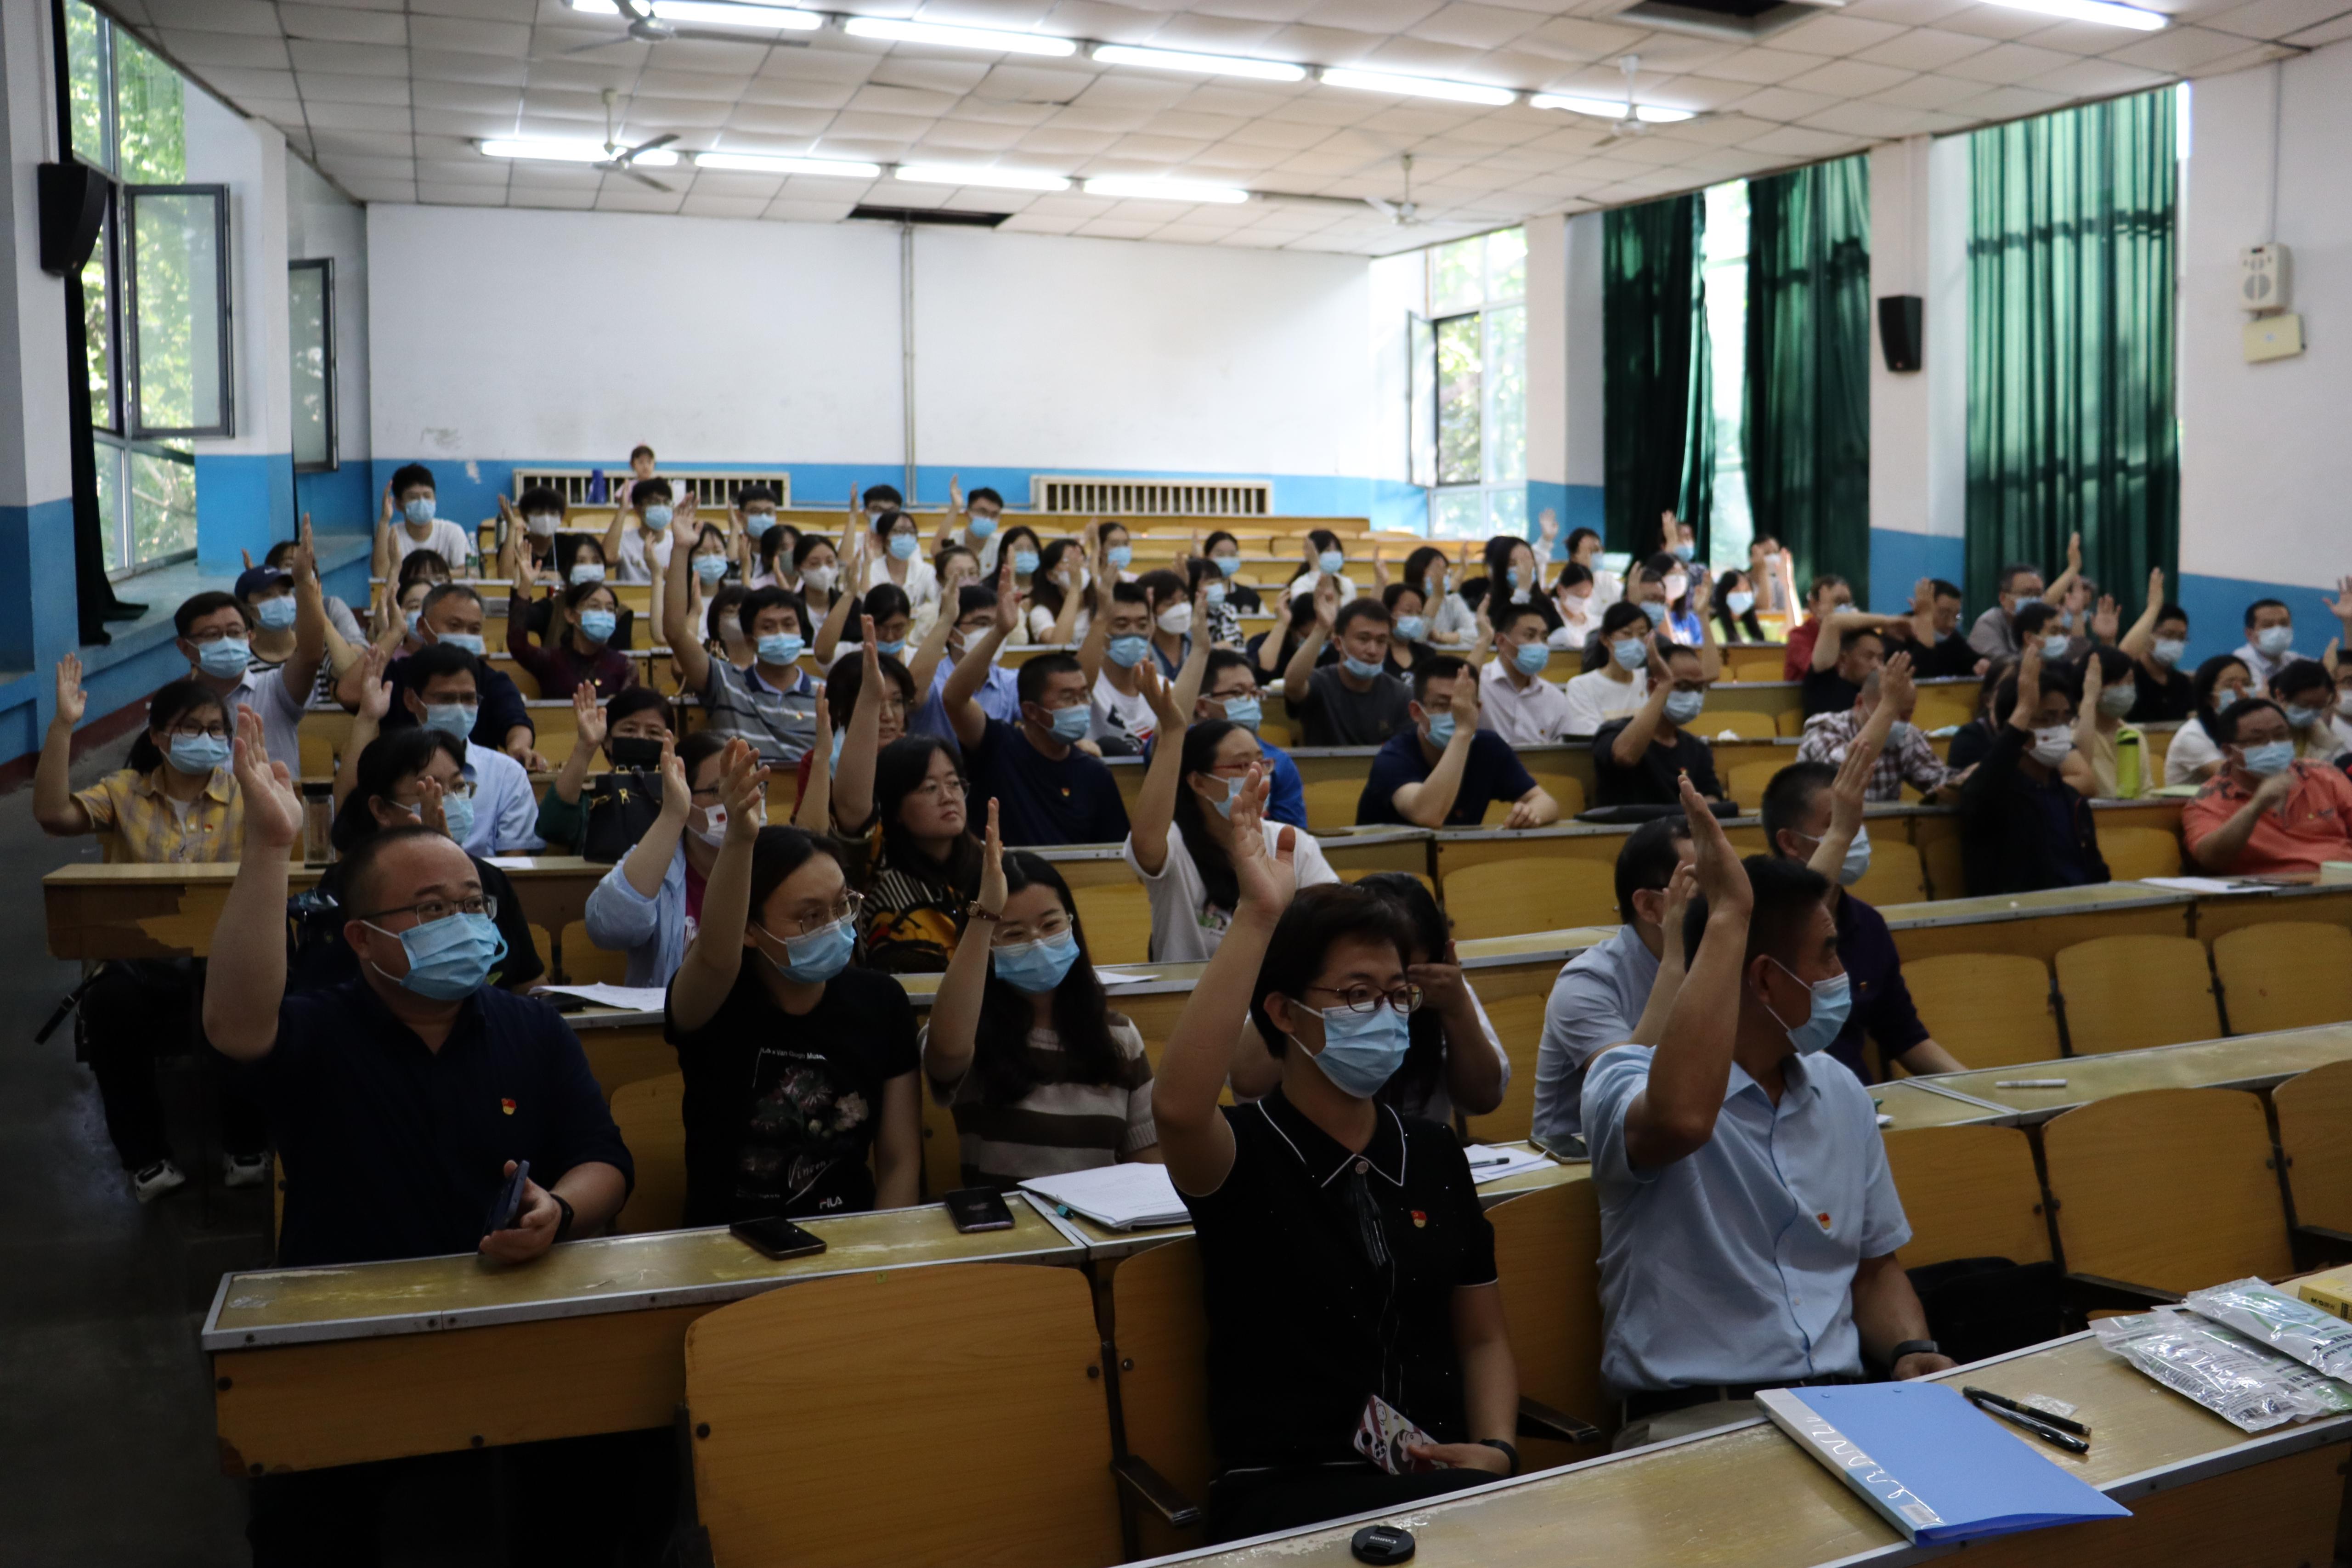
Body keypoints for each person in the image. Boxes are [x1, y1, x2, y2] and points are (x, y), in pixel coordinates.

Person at [202, 712, 636, 1564]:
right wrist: (268, 845)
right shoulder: (321, 1032)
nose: (461, 922)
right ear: (362, 940)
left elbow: (605, 1160)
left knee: (593, 1498)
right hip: (351, 1335)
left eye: (472, 905)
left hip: (514, 1318)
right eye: (431, 909)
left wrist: (559, 1209)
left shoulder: (531, 1029)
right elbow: (236, 1024)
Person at [1153, 793, 1521, 1542]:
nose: (1384, 1013)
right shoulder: (1243, 1152)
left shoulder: (1433, 1151)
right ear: (1285, 1013)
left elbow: (1482, 1336)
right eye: (1356, 994)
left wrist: (1497, 1449)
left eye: (1396, 994)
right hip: (1289, 1495)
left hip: (1443, 1479)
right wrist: (1259, 915)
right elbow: (1178, 1108)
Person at [1586, 783, 1954, 1449]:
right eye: (1827, 954)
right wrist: (1728, 914)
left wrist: (1910, 1347)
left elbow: (1872, 1266)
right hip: (1698, 1421)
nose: (1842, 971)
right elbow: (1681, 1122)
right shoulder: (1623, 1078)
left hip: (1847, 1407)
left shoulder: (1840, 1090)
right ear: (1762, 979)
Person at [34, 663, 267, 1200]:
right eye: (191, 728)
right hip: (139, 960)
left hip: (222, 953)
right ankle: (146, 1158)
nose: (205, 738)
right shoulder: (125, 793)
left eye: (216, 728)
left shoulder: (244, 794)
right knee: (110, 1004)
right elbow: (51, 813)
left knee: (245, 992)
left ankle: (247, 1144)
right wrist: (63, 726)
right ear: (159, 736)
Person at [665, 740, 921, 1222]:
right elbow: (716, 955)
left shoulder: (881, 1002)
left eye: (841, 905)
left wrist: (885, 1254)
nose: (835, 925)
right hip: (730, 1245)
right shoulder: (713, 1002)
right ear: (748, 928)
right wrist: (739, 839)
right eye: (810, 916)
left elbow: (900, 1160)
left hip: (853, 1240)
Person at [923, 807, 1161, 1189]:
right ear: (986, 946)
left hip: (1100, 1219)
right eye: (1015, 934)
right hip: (1008, 1223)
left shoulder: (1120, 1034)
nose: (1038, 942)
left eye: (1051, 924)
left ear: (1071, 924)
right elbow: (946, 1052)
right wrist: (984, 914)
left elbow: (1147, 1163)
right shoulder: (970, 1030)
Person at [1762, 753, 1966, 1082]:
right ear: (1790, 842)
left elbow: (1905, 1036)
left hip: (1859, 1098)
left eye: (1857, 820)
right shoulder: (1757, 925)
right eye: (1838, 823)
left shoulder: (1868, 924)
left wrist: (1976, 1087)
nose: (1854, 833)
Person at [300, 725, 546, 995]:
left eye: (459, 787)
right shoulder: (349, 884)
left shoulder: (489, 878)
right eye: (430, 790)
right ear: (381, 809)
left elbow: (531, 986)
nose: (448, 801)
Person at [1127, 695, 1340, 962]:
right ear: (1199, 783)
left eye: (1262, 763)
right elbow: (1145, 843)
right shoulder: (1174, 844)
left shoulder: (1291, 841)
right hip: (1191, 987)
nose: (1257, 775)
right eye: (1242, 766)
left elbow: (1334, 920)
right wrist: (1172, 732)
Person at [1531, 816, 1693, 1146]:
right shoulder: (1585, 983)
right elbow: (1632, 1092)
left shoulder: (1723, 961)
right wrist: (1675, 958)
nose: (1725, 900)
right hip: (1586, 1163)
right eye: (1701, 887)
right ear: (1649, 906)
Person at [945, 589, 1131, 847]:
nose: (1080, 706)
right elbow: (954, 699)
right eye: (1068, 698)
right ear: (1031, 711)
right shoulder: (998, 745)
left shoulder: (1095, 774)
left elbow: (1114, 855)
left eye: (1084, 696)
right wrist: (999, 631)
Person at [359, 643, 544, 856]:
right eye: (446, 699)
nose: (459, 708)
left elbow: (515, 865)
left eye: (468, 698)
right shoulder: (392, 764)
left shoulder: (506, 773)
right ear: (411, 700)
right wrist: (367, 718)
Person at [1353, 872, 1510, 1125]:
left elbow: (1483, 1100)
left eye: (1408, 978)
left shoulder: (1441, 990)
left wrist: (1457, 1008)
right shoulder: (1327, 1000)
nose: (1396, 995)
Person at [581, 731, 732, 986]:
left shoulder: (777, 862)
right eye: (719, 790)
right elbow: (609, 929)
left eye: (752, 786)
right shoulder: (657, 859)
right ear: (684, 793)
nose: (737, 800)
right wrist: (673, 815)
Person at [1957, 643, 2109, 895]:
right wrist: (2025, 708)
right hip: (2023, 914)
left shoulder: (2071, 799)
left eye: (2065, 718)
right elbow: (1978, 793)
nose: (2060, 728)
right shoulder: (1994, 797)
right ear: (2018, 727)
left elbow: (2096, 873)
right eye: (2047, 718)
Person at [666, 518, 821, 763]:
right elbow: (675, 632)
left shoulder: (824, 693)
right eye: (768, 627)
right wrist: (681, 548)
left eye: (789, 624)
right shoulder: (725, 682)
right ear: (750, 640)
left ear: (802, 632)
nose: (780, 633)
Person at [179, 524, 328, 775]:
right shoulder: (175, 705)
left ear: (249, 637)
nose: (226, 641)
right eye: (213, 635)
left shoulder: (275, 691)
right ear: (185, 647)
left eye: (234, 632)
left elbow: (310, 656)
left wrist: (304, 582)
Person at [1358, 659, 1559, 828]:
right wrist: (1463, 732)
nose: (1456, 715)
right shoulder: (1393, 756)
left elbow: (1545, 802)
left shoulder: (1490, 747)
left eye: (1464, 706)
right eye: (1442, 705)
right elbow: (1428, 816)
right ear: (1416, 712)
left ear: (1477, 710)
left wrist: (1530, 814)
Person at [360, 582, 543, 768]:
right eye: (454, 626)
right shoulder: (397, 674)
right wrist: (394, 634)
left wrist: (518, 746)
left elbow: (516, 720)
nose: (464, 635)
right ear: (422, 626)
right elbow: (348, 692)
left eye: (474, 630)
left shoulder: (493, 680)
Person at [2182, 698, 2352, 876]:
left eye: (2281, 736)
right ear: (2228, 751)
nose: (2273, 746)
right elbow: (2210, 859)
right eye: (2257, 740)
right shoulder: (2208, 801)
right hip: (2273, 890)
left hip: (2342, 882)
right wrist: (2256, 807)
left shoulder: (2325, 775)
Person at [1795, 659, 1961, 804]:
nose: (1896, 721)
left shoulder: (1908, 735)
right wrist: (1888, 707)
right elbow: (1845, 773)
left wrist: (1964, 780)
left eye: (1905, 714)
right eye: (1888, 711)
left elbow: (1938, 779)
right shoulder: (1823, 726)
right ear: (1860, 703)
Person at [535, 684, 676, 848]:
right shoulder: (594, 798)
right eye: (629, 730)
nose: (641, 738)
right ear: (607, 741)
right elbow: (552, 828)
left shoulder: (681, 797)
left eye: (653, 733)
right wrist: (586, 746)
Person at [1283, 583, 1412, 748]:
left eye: (1381, 641)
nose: (1373, 651)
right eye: (1363, 639)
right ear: (1338, 643)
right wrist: (1322, 628)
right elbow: (1292, 686)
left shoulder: (1401, 695)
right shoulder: (1320, 683)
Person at [1594, 643, 1723, 807]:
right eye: (1683, 687)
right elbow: (1625, 756)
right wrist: (1664, 687)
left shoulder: (1697, 749)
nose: (1693, 696)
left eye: (1698, 688)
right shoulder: (1613, 731)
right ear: (1652, 687)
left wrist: (1699, 808)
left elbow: (1713, 795)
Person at [1196, 649, 1306, 829]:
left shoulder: (1278, 762)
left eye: (1254, 693)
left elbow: (1292, 835)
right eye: (1238, 693)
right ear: (1202, 706)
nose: (1250, 702)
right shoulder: (1181, 752)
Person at [506, 560, 635, 701]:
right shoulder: (551, 661)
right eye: (594, 607)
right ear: (571, 615)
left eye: (610, 609)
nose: (603, 614)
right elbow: (517, 644)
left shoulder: (625, 665)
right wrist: (526, 586)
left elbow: (631, 708)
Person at [1080, 572, 1161, 755]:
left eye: (1142, 625)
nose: (1134, 633)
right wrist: (1101, 616)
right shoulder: (1091, 684)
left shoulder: (1164, 688)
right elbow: (1081, 683)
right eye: (1122, 625)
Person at [1479, 599, 1574, 744]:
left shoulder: (1555, 698)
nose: (1539, 645)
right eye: (1530, 636)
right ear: (1502, 641)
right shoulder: (1479, 684)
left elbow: (1563, 752)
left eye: (1544, 638)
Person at [1562, 602, 1658, 736]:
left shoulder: (1649, 682)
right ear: (1605, 639)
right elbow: (1593, 738)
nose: (1636, 642)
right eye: (1627, 633)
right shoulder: (1581, 686)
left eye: (1642, 635)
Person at [2164, 654, 2256, 786]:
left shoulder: (2239, 728)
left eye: (2247, 685)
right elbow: (2234, 777)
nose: (2241, 692)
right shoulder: (2192, 735)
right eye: (2230, 686)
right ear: (2208, 697)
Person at [374, 462, 475, 577]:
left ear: (435, 500)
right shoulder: (392, 535)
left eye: (427, 496)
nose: (422, 502)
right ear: (399, 504)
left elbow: (470, 573)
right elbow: (380, 574)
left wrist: (426, 575)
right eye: (413, 497)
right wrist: (384, 521)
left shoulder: (453, 532)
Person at [2071, 646, 2143, 798]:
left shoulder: (2135, 735)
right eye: (2117, 683)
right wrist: (2090, 698)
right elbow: (2080, 771)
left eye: (2130, 682)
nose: (2126, 689)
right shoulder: (2072, 737)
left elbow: (2146, 792)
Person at [862, 507, 941, 623]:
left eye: (911, 532)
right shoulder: (871, 569)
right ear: (883, 538)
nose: (906, 537)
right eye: (899, 532)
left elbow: (939, 602)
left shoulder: (925, 571)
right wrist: (867, 564)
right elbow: (865, 604)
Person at [1803, 618, 1894, 718]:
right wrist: (1891, 621)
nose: (1876, 665)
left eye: (1880, 659)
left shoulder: (1882, 695)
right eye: (1868, 657)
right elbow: (1832, 622)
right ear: (1843, 659)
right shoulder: (1823, 681)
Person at [2271, 658, 2348, 763]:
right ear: (2280, 695)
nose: (2311, 712)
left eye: (2319, 706)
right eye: (2305, 705)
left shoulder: (2328, 742)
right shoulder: (2261, 737)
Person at [605, 475, 677, 585]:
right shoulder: (625, 540)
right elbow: (608, 558)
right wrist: (623, 510)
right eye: (655, 502)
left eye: (666, 503)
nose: (662, 507)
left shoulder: (676, 542)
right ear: (638, 509)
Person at [1781, 574, 1853, 681]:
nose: (1843, 608)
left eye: (1847, 603)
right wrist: (1831, 625)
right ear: (1815, 606)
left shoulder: (1852, 635)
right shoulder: (1799, 637)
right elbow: (1818, 671)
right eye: (1838, 602)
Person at [496, 483, 570, 580]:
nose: (546, 519)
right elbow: (505, 578)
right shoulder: (512, 546)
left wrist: (562, 577)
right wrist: (512, 528)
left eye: (552, 513)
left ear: (561, 517)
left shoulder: (570, 545)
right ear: (525, 517)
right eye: (539, 513)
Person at [1028, 538, 1092, 646]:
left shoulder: (1099, 605)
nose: (1077, 567)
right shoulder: (1041, 612)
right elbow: (1058, 645)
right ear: (1051, 575)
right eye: (1068, 561)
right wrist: (1074, 589)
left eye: (1080, 559)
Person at [1407, 544, 1473, 646]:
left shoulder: (1452, 600)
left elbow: (1476, 634)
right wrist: (1436, 598)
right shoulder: (1406, 602)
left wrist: (1440, 637)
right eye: (1436, 570)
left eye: (1445, 570)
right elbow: (1416, 640)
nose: (1443, 576)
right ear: (1418, 572)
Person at [2233, 597, 2299, 695]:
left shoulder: (2292, 659)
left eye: (2284, 624)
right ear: (2249, 634)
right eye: (2268, 625)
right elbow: (2260, 698)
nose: (2278, 631)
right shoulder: (2241, 663)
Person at [1280, 527, 1359, 607]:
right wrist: (1315, 568)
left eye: (1337, 551)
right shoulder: (1301, 584)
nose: (1333, 555)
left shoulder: (1347, 584)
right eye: (1328, 551)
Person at [1378, 579, 1436, 680]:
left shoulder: (1428, 654)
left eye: (1419, 613)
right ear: (1387, 612)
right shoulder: (1375, 653)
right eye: (1408, 612)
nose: (1415, 618)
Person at [1707, 568, 1766, 645]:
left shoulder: (1760, 626)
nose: (1743, 595)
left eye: (1746, 590)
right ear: (1724, 595)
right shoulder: (1714, 628)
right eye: (1736, 590)